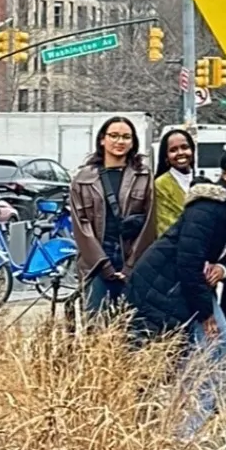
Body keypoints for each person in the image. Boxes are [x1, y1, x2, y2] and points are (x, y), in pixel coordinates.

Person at [127, 149, 226, 351]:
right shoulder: (207, 207)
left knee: (214, 343)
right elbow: (188, 261)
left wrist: (224, 269)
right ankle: (193, 383)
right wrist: (205, 313)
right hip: (164, 283)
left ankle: (194, 382)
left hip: (195, 285)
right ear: (225, 174)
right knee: (201, 345)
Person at [70, 116, 156, 314]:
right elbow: (81, 227)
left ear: (133, 142)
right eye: (114, 136)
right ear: (102, 139)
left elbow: (149, 223)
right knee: (98, 327)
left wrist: (131, 265)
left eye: (126, 137)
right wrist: (103, 264)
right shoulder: (83, 179)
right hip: (95, 262)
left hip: (132, 259)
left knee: (133, 327)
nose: (120, 141)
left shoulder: (143, 175)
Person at [153, 128, 196, 236]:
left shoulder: (202, 182)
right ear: (166, 157)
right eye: (173, 150)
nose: (180, 153)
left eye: (185, 147)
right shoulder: (160, 185)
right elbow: (165, 227)